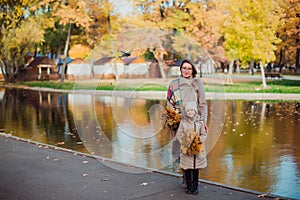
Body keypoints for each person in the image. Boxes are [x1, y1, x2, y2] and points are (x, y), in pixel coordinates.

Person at [166, 59, 208, 186]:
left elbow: (202, 104)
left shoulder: (197, 83)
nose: (186, 70)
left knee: (192, 150)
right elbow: (169, 103)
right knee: (180, 151)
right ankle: (185, 177)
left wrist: (203, 122)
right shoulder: (174, 84)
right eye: (184, 68)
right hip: (179, 122)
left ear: (193, 70)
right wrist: (171, 118)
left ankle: (192, 180)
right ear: (181, 69)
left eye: (189, 68)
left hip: (194, 122)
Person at [175, 101, 207, 195]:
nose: (190, 112)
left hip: (197, 150)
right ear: (186, 112)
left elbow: (204, 134)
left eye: (192, 110)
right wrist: (185, 141)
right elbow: (179, 134)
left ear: (195, 111)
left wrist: (198, 140)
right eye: (188, 110)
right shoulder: (183, 123)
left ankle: (195, 188)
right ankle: (189, 187)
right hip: (186, 150)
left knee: (196, 170)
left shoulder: (200, 122)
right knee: (188, 169)